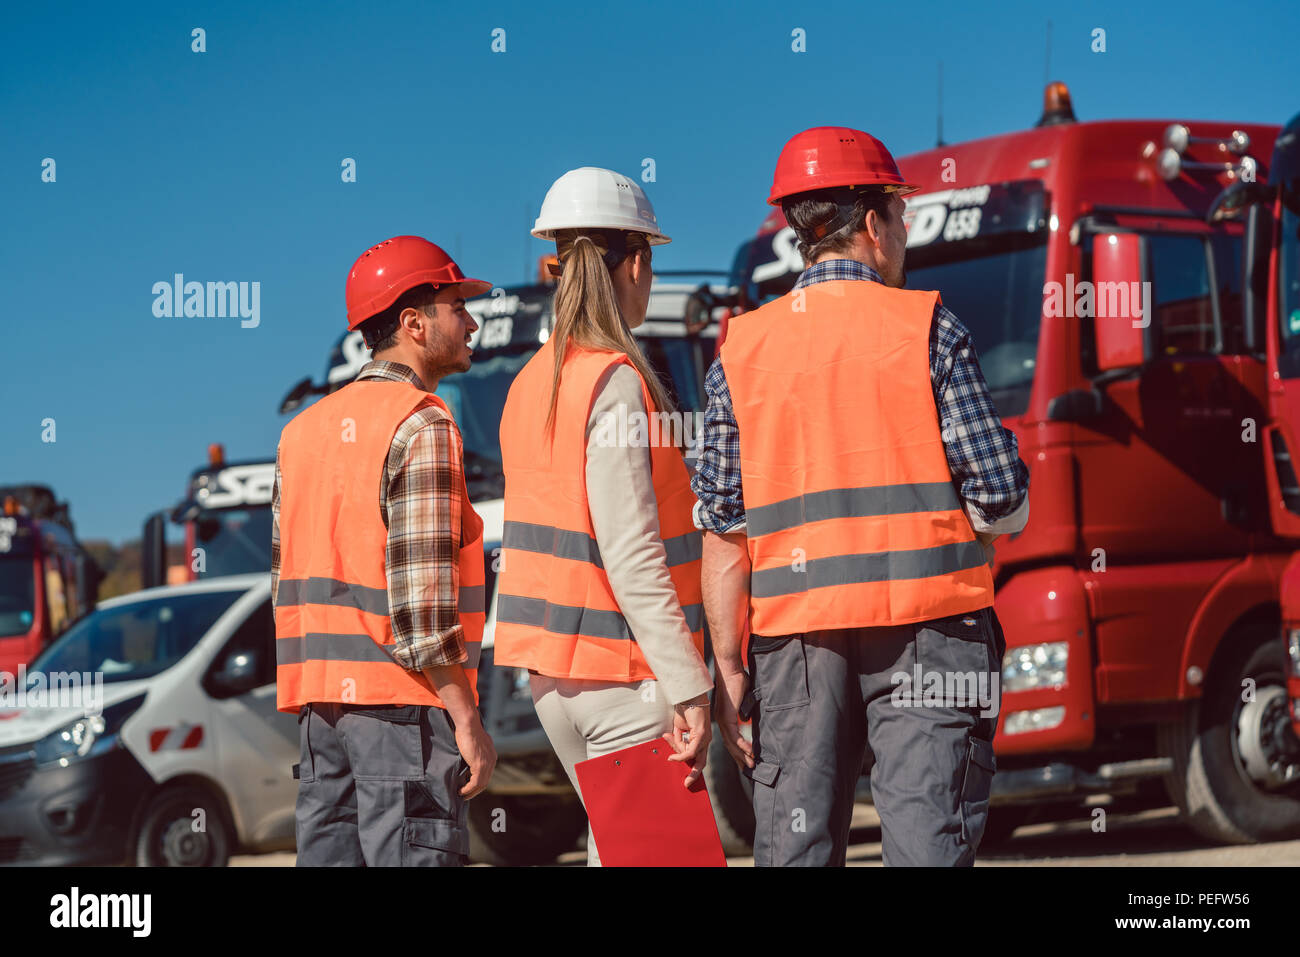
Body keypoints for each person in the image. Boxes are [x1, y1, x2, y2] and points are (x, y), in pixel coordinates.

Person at [697, 127, 1030, 867]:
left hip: (795, 642)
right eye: (902, 217)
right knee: (926, 843)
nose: (905, 234)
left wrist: (726, 667)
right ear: (875, 226)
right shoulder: (928, 327)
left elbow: (723, 528)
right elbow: (1001, 494)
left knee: (798, 846)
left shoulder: (740, 349)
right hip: (932, 625)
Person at [494, 167, 714, 866]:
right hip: (624, 679)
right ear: (639, 262)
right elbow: (632, 552)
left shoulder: (531, 384)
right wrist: (688, 682)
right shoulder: (613, 382)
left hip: (553, 680)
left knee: (618, 855)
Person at [272, 235, 498, 866]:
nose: (472, 320)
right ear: (413, 322)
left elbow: (282, 583)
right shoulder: (420, 423)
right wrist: (466, 718)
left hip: (320, 712)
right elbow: (422, 609)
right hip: (402, 709)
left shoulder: (301, 434)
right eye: (458, 305)